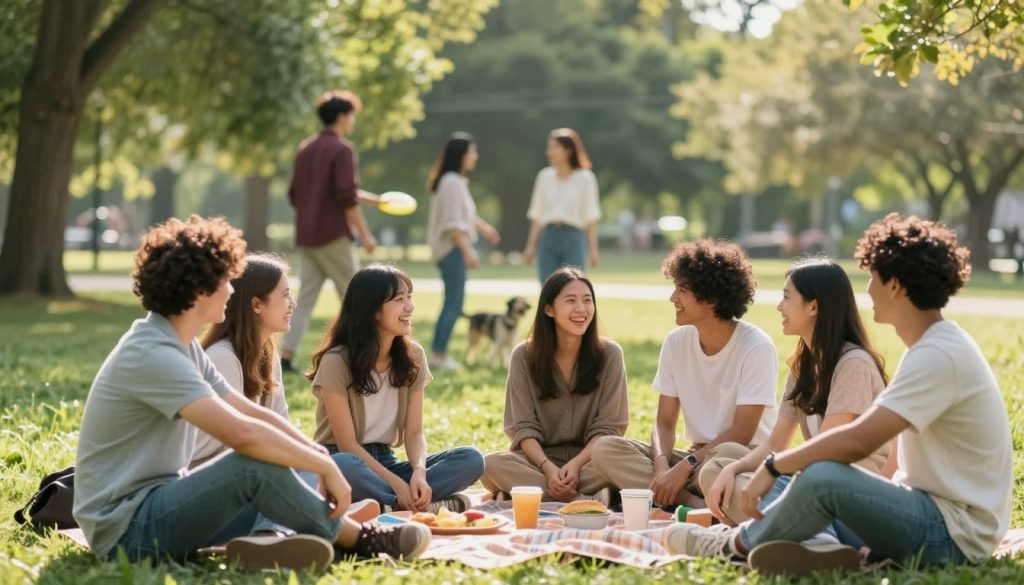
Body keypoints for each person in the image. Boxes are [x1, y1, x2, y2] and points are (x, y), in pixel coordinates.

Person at [73, 216, 429, 573]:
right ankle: (361, 539)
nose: (231, 290)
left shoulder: (180, 345)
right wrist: (323, 466)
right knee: (254, 464)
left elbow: (254, 414)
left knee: (282, 463)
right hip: (126, 532)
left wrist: (314, 454)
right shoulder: (153, 353)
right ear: (199, 289)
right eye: (226, 280)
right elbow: (241, 434)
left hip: (160, 505)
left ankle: (293, 533)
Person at [663, 214, 1013, 576]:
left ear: (895, 286)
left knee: (821, 477)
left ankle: (731, 545)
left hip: (952, 534)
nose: (867, 291)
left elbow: (857, 442)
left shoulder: (937, 355)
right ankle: (811, 542)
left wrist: (773, 466)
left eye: (873, 279)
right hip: (923, 513)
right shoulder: (930, 349)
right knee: (773, 473)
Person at [699, 258, 891, 530]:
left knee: (733, 472)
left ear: (813, 307)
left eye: (787, 298)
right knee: (722, 462)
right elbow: (775, 444)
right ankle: (790, 529)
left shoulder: (853, 363)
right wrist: (733, 469)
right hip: (816, 479)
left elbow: (828, 451)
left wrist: (770, 471)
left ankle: (796, 532)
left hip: (852, 493)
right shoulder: (803, 365)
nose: (779, 307)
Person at [591, 240, 778, 509]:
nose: (672, 298)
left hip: (738, 458)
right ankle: (692, 503)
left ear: (711, 298)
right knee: (605, 449)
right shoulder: (675, 342)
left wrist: (682, 470)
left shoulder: (756, 346)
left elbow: (742, 432)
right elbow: (664, 423)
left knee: (724, 457)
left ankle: (667, 497)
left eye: (682, 289)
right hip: (694, 461)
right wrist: (661, 468)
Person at [308, 264, 485, 513]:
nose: (410, 307)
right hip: (346, 461)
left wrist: (419, 475)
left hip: (386, 461)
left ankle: (386, 505)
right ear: (372, 309)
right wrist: (398, 485)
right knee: (343, 465)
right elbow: (347, 444)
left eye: (409, 297)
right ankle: (416, 505)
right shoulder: (336, 361)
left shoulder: (414, 356)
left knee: (471, 459)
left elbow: (414, 433)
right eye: (399, 299)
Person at [481, 267, 629, 502]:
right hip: (538, 462)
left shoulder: (610, 354)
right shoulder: (524, 355)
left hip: (591, 462)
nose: (581, 309)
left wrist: (577, 464)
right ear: (549, 309)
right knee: (489, 465)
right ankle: (586, 499)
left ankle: (532, 494)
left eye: (587, 300)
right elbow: (522, 427)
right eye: (570, 301)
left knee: (618, 457)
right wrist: (549, 469)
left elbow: (610, 427)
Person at [281, 90, 379, 373]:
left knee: (304, 299)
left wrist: (377, 200)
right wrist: (367, 235)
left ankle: (286, 356)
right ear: (341, 116)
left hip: (308, 236)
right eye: (352, 115)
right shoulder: (342, 149)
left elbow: (297, 193)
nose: (353, 121)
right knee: (358, 297)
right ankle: (368, 355)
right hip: (334, 235)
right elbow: (346, 197)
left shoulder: (306, 148)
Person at [426, 132, 501, 370]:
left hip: (454, 249)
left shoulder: (455, 182)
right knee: (454, 304)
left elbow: (464, 214)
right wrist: (468, 251)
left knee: (453, 302)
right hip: (451, 250)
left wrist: (485, 228)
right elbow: (452, 224)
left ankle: (439, 353)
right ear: (461, 155)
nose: (475, 157)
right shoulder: (450, 182)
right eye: (472, 152)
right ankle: (438, 355)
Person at [522, 128, 601, 283]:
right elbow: (537, 215)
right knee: (547, 287)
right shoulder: (544, 177)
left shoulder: (585, 178)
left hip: (573, 237)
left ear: (568, 150)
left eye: (554, 147)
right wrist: (530, 246)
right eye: (549, 147)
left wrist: (593, 250)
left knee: (572, 286)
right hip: (548, 237)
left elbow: (591, 216)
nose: (549, 152)